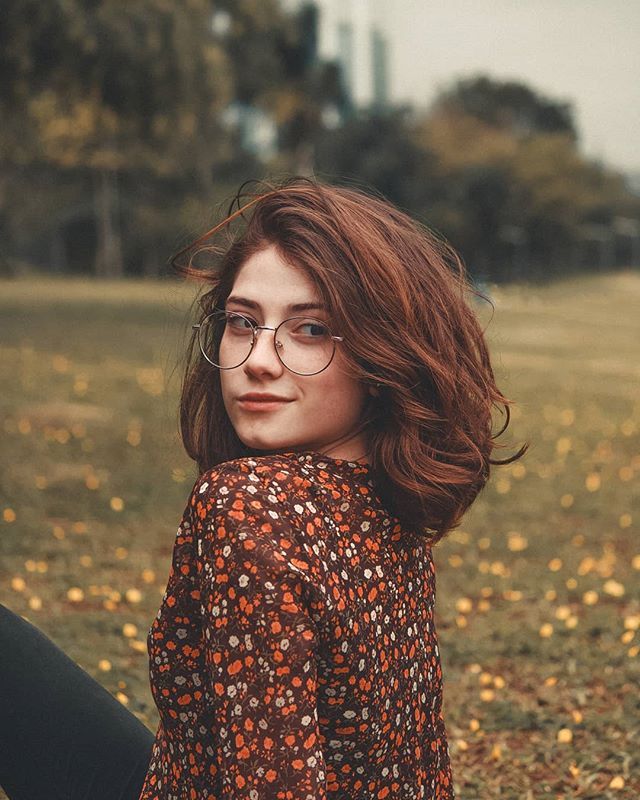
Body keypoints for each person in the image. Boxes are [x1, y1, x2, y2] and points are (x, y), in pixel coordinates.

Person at [0, 177, 527, 800]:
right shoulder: (385, 491)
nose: (259, 359)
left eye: (309, 330)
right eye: (243, 322)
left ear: (380, 356)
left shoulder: (248, 506)